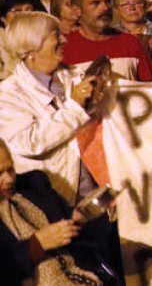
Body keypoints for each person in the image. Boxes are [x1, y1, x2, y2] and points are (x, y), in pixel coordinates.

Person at [0, 12, 107, 205]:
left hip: (98, 187)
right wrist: (74, 108)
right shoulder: (8, 95)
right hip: (57, 198)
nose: (64, 39)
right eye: (55, 36)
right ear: (32, 47)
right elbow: (27, 142)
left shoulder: (74, 75)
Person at [0, 137, 119, 284]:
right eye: (0, 174)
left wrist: (78, 220)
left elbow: (81, 239)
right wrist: (36, 245)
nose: (9, 179)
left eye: (10, 169)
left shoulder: (33, 185)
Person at [62, 0, 152, 82]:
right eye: (96, 3)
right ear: (77, 10)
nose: (105, 8)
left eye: (107, 2)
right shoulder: (63, 48)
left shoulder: (130, 42)